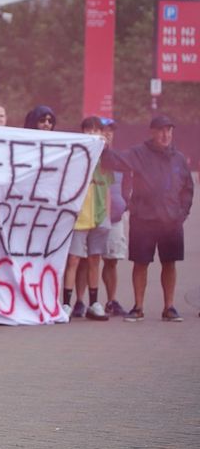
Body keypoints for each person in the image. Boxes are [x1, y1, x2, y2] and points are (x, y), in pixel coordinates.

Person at [103, 115, 193, 322]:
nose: (165, 135)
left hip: (171, 222)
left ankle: (169, 307)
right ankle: (138, 307)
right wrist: (103, 148)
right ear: (152, 132)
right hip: (143, 219)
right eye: (161, 131)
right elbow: (115, 160)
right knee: (141, 263)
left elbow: (188, 188)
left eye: (169, 131)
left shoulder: (178, 158)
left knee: (170, 263)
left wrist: (181, 214)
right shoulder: (139, 153)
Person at [63, 117, 114, 321]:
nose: (92, 134)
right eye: (88, 130)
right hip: (79, 215)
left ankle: (94, 302)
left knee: (95, 259)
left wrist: (107, 217)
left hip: (99, 214)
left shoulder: (106, 159)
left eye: (96, 130)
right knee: (73, 259)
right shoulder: (76, 157)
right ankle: (66, 303)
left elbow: (108, 188)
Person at [99, 118, 130, 317]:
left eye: (111, 130)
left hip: (116, 217)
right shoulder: (88, 156)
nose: (108, 133)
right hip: (91, 217)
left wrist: (125, 203)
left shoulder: (120, 158)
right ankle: (80, 302)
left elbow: (128, 182)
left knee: (112, 260)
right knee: (87, 261)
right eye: (103, 129)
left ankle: (111, 301)